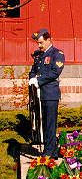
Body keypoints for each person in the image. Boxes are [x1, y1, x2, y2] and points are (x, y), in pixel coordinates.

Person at [28, 28, 65, 159]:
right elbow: (33, 70)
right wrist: (32, 79)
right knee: (42, 124)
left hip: (50, 94)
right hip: (39, 94)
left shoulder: (57, 54)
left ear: (48, 40)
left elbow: (55, 72)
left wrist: (39, 80)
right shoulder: (38, 55)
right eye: (38, 43)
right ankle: (52, 152)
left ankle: (48, 152)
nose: (39, 46)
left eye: (41, 43)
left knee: (49, 123)